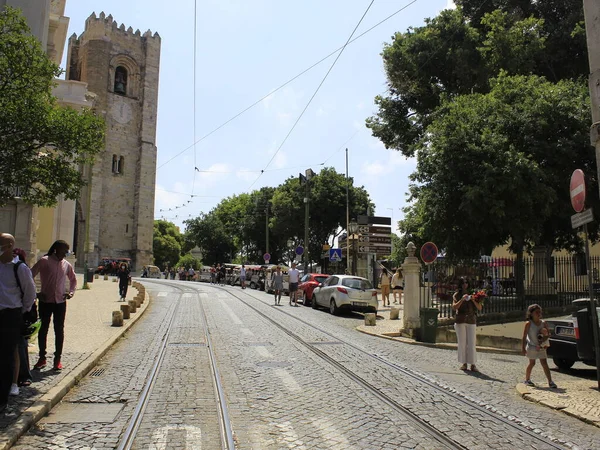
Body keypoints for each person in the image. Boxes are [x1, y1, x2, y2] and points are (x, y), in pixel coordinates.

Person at [0, 233, 36, 413]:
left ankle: (3, 397)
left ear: (9, 246)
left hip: (11, 315)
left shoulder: (19, 268)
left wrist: (20, 312)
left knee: (7, 356)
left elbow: (30, 293)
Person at [31, 240, 77, 371]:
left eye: (67, 252)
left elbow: (73, 279)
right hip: (46, 301)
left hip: (60, 302)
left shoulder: (66, 265)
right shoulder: (44, 261)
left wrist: (71, 292)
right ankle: (42, 358)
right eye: (64, 251)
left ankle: (57, 359)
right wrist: (36, 293)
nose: (65, 254)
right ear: (56, 249)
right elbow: (29, 276)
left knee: (59, 330)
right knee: (43, 329)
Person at [522, 304, 557, 388]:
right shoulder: (528, 324)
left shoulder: (543, 323)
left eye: (539, 312)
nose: (538, 314)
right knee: (532, 363)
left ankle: (550, 381)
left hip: (541, 347)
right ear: (531, 313)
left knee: (544, 363)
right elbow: (524, 336)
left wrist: (544, 338)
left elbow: (548, 334)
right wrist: (523, 348)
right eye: (536, 312)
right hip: (532, 346)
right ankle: (527, 379)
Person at [452, 278, 482, 372]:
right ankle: (464, 363)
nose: (465, 284)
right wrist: (461, 300)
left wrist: (473, 300)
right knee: (462, 343)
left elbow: (480, 308)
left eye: (466, 282)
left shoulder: (474, 294)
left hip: (471, 320)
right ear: (460, 285)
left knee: (472, 343)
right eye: (463, 283)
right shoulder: (456, 295)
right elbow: (454, 307)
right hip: (460, 320)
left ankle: (473, 364)